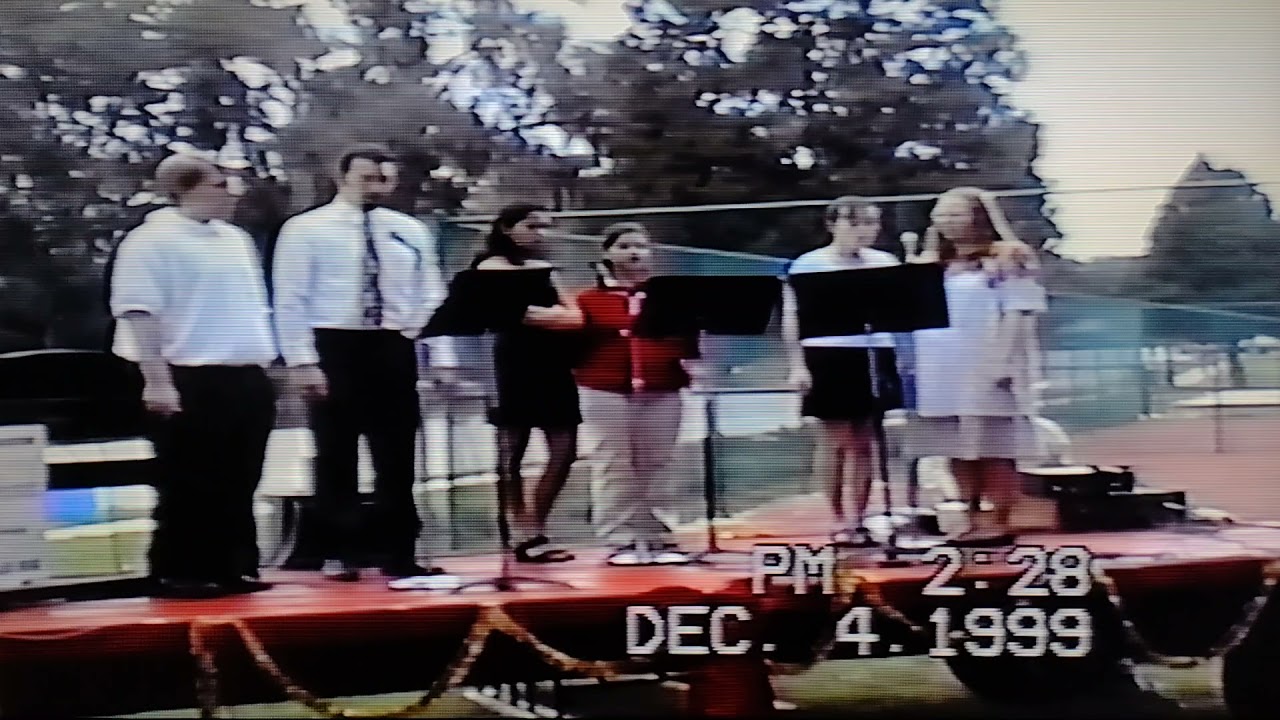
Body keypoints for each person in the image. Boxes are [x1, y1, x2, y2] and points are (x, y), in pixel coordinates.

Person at [272, 145, 457, 581]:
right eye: (368, 178)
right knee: (336, 450)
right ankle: (341, 549)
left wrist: (439, 353)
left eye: (385, 179)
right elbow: (291, 298)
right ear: (344, 177)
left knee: (396, 451)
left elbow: (430, 292)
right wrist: (302, 359)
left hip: (392, 343)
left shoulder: (407, 230)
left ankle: (399, 550)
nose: (377, 187)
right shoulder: (306, 229)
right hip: (335, 344)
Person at [110, 154, 278, 599]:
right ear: (187, 188)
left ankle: (234, 565)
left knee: (240, 476)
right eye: (220, 184)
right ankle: (180, 570)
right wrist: (157, 379)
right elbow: (139, 310)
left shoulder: (235, 239)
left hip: (242, 371)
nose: (231, 194)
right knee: (190, 479)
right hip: (188, 373)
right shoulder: (150, 240)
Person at [909, 186, 1048, 546]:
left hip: (987, 363)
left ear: (979, 218)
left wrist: (1003, 360)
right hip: (940, 366)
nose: (947, 221)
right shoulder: (932, 264)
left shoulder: (1007, 257)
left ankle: (999, 518)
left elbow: (1019, 311)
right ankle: (968, 515)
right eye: (941, 213)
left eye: (956, 214)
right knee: (956, 446)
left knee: (995, 444)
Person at [575, 222, 702, 566]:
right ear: (607, 253)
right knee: (613, 462)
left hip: (662, 388)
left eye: (641, 246)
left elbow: (688, 344)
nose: (634, 253)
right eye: (625, 246)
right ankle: (620, 538)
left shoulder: (668, 298)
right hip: (604, 389)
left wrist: (694, 367)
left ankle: (658, 535)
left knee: (659, 463)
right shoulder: (586, 299)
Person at [782, 197, 903, 547]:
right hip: (827, 354)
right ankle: (835, 515)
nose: (865, 231)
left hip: (873, 351)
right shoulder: (809, 264)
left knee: (865, 440)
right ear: (834, 225)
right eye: (856, 223)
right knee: (836, 440)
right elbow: (794, 317)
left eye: (871, 223)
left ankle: (859, 517)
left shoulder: (884, 263)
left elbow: (901, 311)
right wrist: (797, 364)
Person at [472, 204, 583, 563]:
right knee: (511, 453)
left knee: (565, 450)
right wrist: (549, 316)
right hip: (513, 363)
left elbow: (576, 317)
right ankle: (520, 529)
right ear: (507, 228)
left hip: (553, 363)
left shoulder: (545, 269)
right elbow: (513, 313)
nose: (540, 233)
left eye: (545, 226)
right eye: (532, 225)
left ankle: (537, 523)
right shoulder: (490, 266)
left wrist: (548, 317)